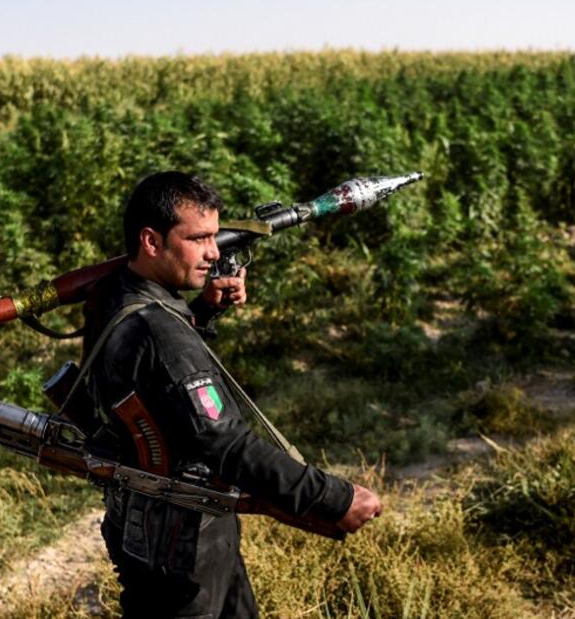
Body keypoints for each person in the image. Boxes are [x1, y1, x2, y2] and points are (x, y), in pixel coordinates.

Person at [82, 171, 382, 618]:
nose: (214, 252)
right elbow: (228, 446)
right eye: (198, 238)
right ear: (151, 241)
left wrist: (199, 311)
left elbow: (149, 381)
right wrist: (334, 498)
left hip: (151, 529)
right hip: (183, 548)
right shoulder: (163, 336)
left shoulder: (111, 295)